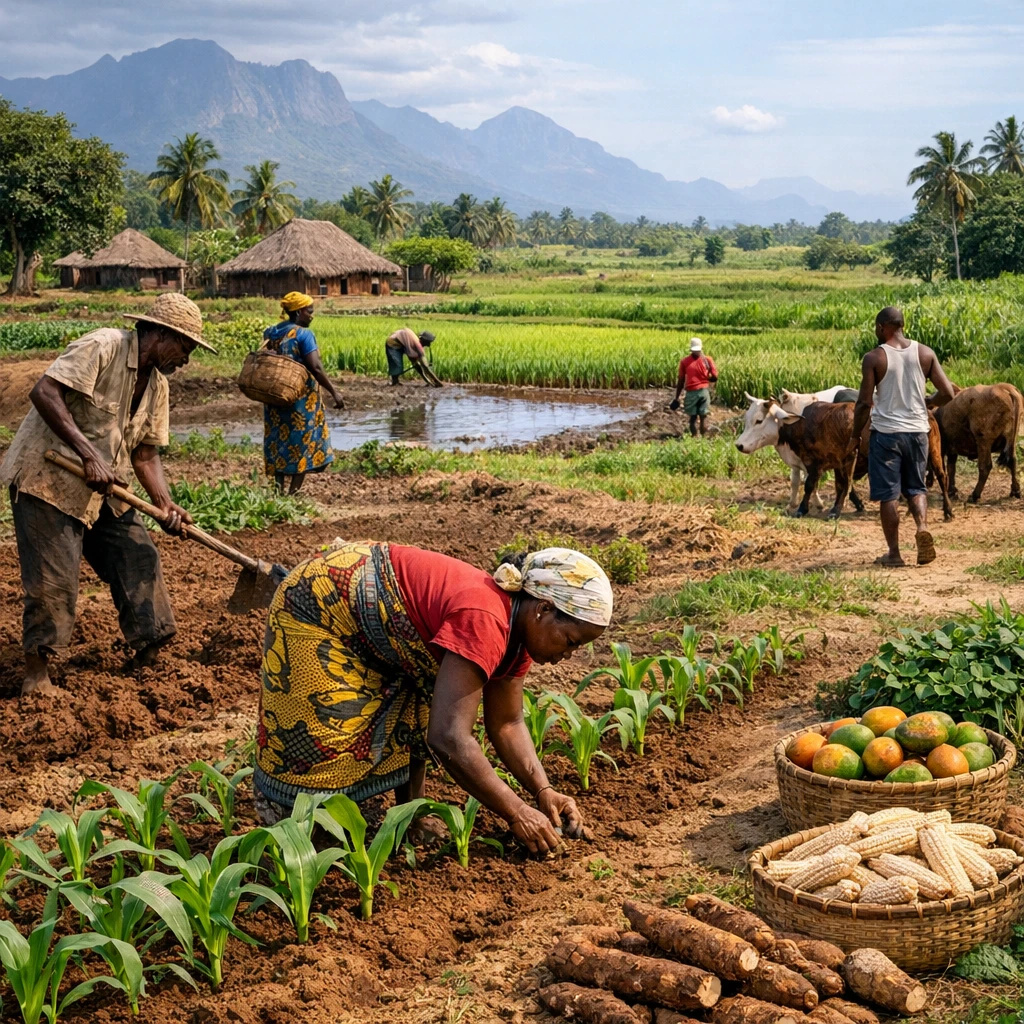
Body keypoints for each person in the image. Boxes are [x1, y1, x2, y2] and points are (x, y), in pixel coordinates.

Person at [254, 543, 613, 855]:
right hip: (319, 604)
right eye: (570, 641)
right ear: (543, 609)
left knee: (419, 701)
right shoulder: (486, 618)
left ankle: (408, 819)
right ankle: (293, 833)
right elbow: (449, 738)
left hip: (369, 614)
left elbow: (506, 723)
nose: (569, 655)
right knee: (323, 728)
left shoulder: (518, 636)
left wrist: (543, 791)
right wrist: (516, 812)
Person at [0, 293, 214, 696]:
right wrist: (87, 454)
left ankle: (150, 650)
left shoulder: (158, 386)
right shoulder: (103, 346)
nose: (186, 360)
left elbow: (145, 453)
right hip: (50, 479)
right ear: (161, 334)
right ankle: (37, 676)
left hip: (103, 489)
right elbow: (44, 392)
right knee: (55, 578)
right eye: (184, 348)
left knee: (137, 554)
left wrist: (164, 504)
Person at [851, 306, 955, 567]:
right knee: (916, 487)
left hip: (886, 434)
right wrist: (929, 401)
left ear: (881, 327)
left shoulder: (874, 358)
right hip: (918, 432)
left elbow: (864, 403)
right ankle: (921, 527)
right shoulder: (924, 353)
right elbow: (948, 393)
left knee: (888, 495)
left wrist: (854, 436)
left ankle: (894, 553)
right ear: (902, 326)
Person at [262, 292, 344, 495]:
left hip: (275, 398)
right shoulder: (303, 335)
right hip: (300, 400)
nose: (311, 315)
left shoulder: (271, 332)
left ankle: (278, 491)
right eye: (309, 311)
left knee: (279, 441)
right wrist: (334, 393)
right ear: (299, 312)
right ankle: (293, 493)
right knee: (302, 442)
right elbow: (315, 368)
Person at [670, 337, 718, 436]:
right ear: (701, 348)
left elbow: (681, 381)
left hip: (691, 392)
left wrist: (677, 397)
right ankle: (703, 439)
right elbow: (715, 377)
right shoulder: (707, 360)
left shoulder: (685, 362)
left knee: (693, 418)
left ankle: (694, 437)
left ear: (691, 349)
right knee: (703, 417)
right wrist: (706, 380)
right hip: (704, 392)